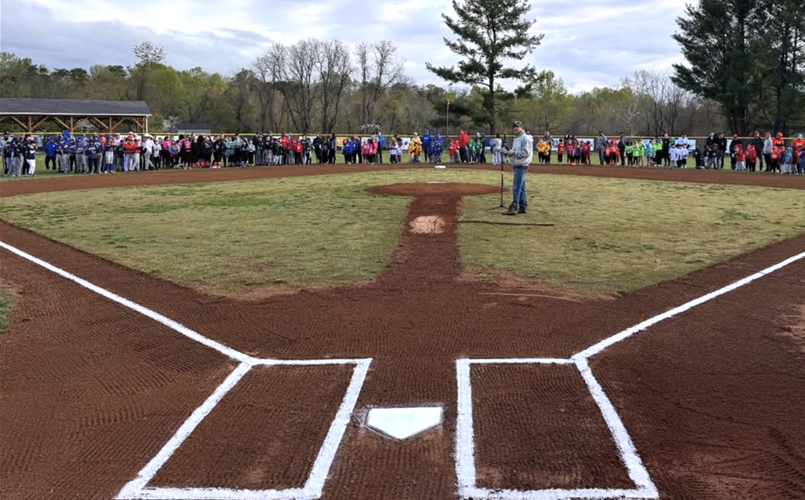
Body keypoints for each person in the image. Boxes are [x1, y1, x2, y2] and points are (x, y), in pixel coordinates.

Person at [503, 121, 533, 216]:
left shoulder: (525, 138)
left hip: (522, 164)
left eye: (517, 126)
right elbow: (516, 150)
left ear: (521, 127)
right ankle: (523, 206)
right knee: (522, 186)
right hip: (517, 164)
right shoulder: (517, 138)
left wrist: (513, 153)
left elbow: (525, 153)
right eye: (514, 127)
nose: (515, 128)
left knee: (517, 186)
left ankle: (515, 205)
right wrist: (508, 152)